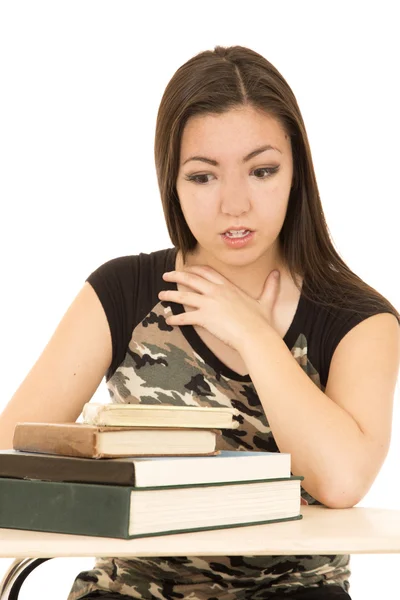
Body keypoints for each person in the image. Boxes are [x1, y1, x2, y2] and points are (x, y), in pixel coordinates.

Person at [1, 44, 399, 600]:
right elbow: (12, 460)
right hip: (131, 592)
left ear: (297, 173)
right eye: (203, 177)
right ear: (172, 182)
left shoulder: (359, 319)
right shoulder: (123, 292)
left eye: (262, 170)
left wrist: (254, 334)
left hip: (294, 593)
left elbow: (340, 481)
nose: (234, 204)